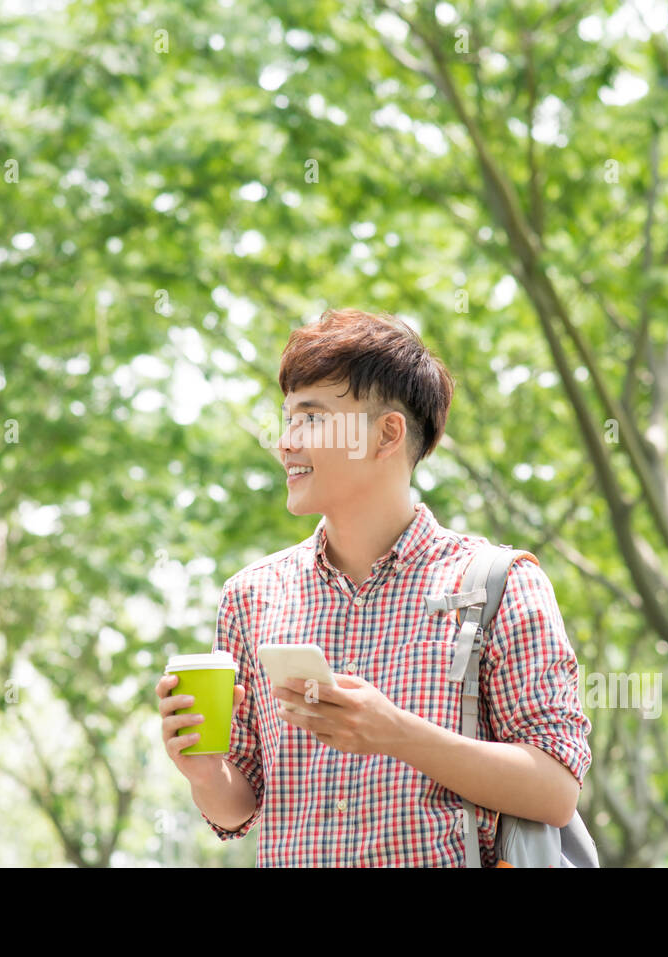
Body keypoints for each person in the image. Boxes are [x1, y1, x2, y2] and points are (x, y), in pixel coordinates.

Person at [156, 307, 591, 866]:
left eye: (311, 418)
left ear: (387, 434)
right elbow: (240, 807)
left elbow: (555, 791)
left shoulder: (499, 585)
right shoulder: (252, 596)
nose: (286, 442)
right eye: (287, 419)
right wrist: (203, 771)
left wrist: (395, 734)